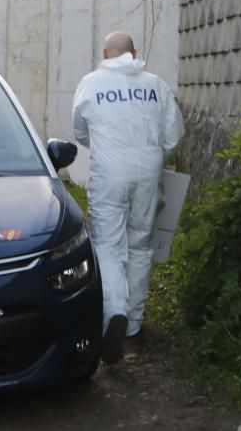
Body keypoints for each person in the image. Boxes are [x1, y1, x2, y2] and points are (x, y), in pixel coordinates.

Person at [72, 32, 184, 364]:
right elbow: (174, 135)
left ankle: (114, 312)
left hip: (109, 173)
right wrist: (151, 155)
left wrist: (109, 149)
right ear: (134, 53)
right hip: (149, 171)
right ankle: (133, 323)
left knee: (108, 245)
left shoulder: (90, 84)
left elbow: (80, 132)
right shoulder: (156, 85)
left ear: (105, 53)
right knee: (139, 244)